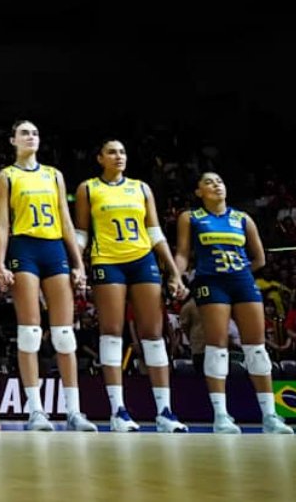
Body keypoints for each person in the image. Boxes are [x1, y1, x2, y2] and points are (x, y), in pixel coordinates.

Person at [74, 139, 188, 433]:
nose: (119, 156)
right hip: (107, 261)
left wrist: (174, 272)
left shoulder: (141, 188)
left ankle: (165, 411)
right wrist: (78, 264)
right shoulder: (88, 188)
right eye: (111, 152)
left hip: (143, 260)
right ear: (100, 158)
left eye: (123, 151)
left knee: (153, 335)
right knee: (111, 333)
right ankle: (118, 411)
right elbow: (83, 232)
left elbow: (155, 232)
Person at [0, 120, 95, 431]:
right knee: (30, 332)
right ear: (13, 140)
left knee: (65, 335)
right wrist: (0, 263)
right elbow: (2, 224)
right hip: (24, 248)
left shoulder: (54, 175)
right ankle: (35, 411)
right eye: (24, 133)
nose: (31, 137)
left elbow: (66, 220)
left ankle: (74, 412)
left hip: (54, 250)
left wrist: (78, 263)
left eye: (35, 132)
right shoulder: (7, 176)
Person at [173, 172, 293, 434]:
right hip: (210, 282)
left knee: (258, 349)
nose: (216, 185)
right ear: (198, 192)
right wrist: (176, 274)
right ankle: (221, 416)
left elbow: (259, 259)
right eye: (208, 182)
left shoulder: (242, 218)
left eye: (219, 181)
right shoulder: (191, 217)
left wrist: (238, 271)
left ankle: (271, 416)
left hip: (241, 281)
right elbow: (182, 253)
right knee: (217, 348)